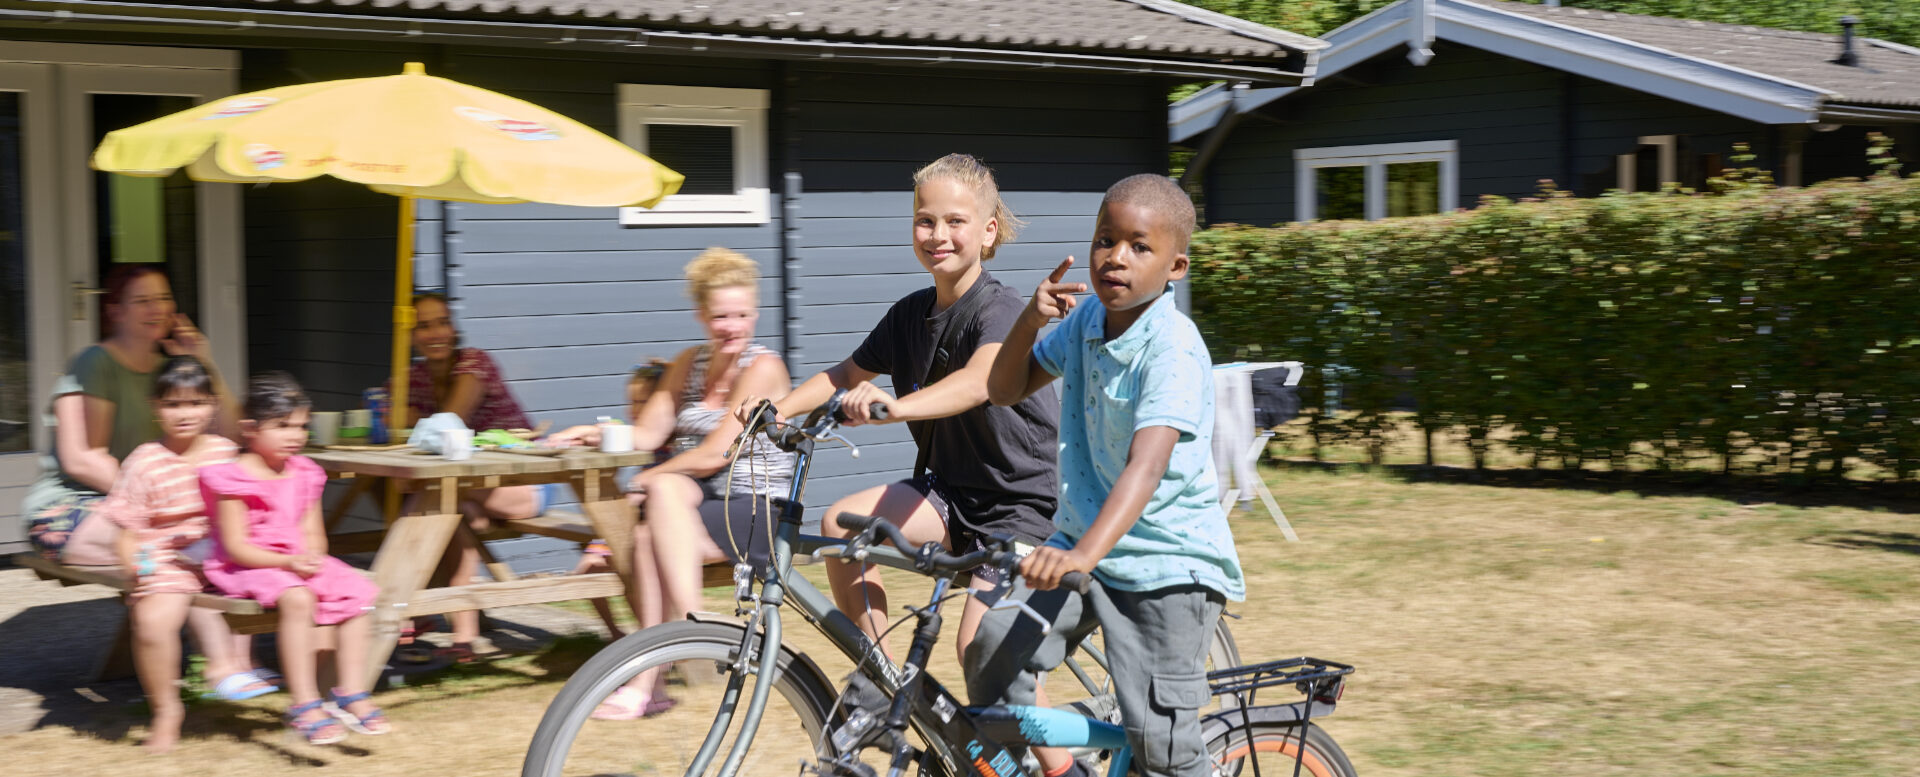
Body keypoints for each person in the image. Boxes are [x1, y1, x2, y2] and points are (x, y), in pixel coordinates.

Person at [971, 174, 1243, 777]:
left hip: (1166, 567)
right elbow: (1003, 387)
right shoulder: (1087, 321)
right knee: (992, 655)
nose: (1115, 257)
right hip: (1085, 546)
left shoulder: (1171, 348)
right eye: (1104, 239)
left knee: (1163, 750)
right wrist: (1028, 321)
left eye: (1139, 247)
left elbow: (1145, 468)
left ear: (1176, 267)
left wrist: (1078, 557)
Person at [746, 153, 1060, 668]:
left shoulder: (998, 308)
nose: (938, 234)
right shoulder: (908, 314)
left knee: (978, 655)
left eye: (955, 221)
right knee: (841, 525)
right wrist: (774, 409)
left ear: (988, 232)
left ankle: (1035, 752)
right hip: (951, 493)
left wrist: (894, 408)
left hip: (1019, 506)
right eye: (925, 219)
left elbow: (979, 380)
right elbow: (846, 375)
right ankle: (881, 676)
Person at [546, 248, 794, 720]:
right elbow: (647, 433)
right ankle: (653, 684)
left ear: (755, 313)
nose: (732, 326)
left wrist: (645, 478)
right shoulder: (689, 363)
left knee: (657, 502)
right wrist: (595, 432)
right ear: (702, 315)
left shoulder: (763, 368)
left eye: (742, 315)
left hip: (760, 507)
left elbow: (714, 453)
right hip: (707, 505)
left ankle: (688, 634)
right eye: (721, 316)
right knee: (644, 532)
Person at [19, 265, 269, 702]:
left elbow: (230, 435)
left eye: (164, 298)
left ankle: (231, 666)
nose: (159, 309)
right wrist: (154, 498)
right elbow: (83, 458)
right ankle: (221, 667)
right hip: (72, 507)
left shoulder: (172, 369)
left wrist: (204, 361)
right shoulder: (94, 363)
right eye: (144, 300)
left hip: (156, 509)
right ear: (115, 311)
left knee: (216, 543)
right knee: (176, 551)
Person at [202, 373, 387, 746]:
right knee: (298, 597)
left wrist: (313, 556)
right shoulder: (233, 478)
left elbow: (313, 532)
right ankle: (303, 703)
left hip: (294, 562)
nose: (295, 435)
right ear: (249, 429)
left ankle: (350, 692)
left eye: (302, 426)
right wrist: (289, 565)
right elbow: (236, 546)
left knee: (359, 590)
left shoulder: (304, 473)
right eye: (283, 426)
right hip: (249, 566)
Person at [97, 356, 254, 753]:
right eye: (173, 404)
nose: (185, 414)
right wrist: (135, 563)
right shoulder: (145, 461)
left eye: (195, 403)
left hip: (227, 551)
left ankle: (232, 669)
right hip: (168, 556)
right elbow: (128, 528)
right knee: (152, 620)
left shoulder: (226, 453)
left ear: (213, 406)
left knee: (236, 595)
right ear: (156, 407)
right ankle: (167, 709)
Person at [395, 292, 550, 658]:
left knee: (435, 499)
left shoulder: (474, 363)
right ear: (410, 335)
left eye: (442, 322)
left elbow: (450, 423)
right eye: (423, 326)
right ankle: (460, 632)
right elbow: (384, 415)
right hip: (467, 490)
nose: (436, 333)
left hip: (524, 482)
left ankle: (419, 608)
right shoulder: (412, 376)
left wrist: (410, 421)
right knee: (441, 505)